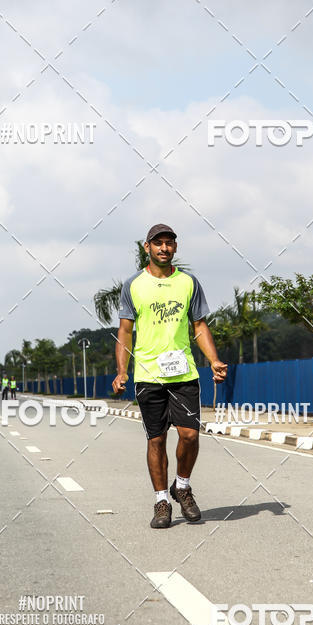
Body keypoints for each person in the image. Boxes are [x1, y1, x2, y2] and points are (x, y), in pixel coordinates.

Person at [113, 224, 227, 530]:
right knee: (157, 439)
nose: (164, 248)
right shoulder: (133, 285)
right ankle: (162, 500)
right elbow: (125, 331)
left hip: (183, 373)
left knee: (190, 434)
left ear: (175, 248)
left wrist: (213, 359)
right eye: (158, 243)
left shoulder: (188, 283)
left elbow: (199, 326)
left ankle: (183, 486)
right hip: (148, 375)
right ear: (147, 247)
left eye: (170, 243)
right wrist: (122, 370)